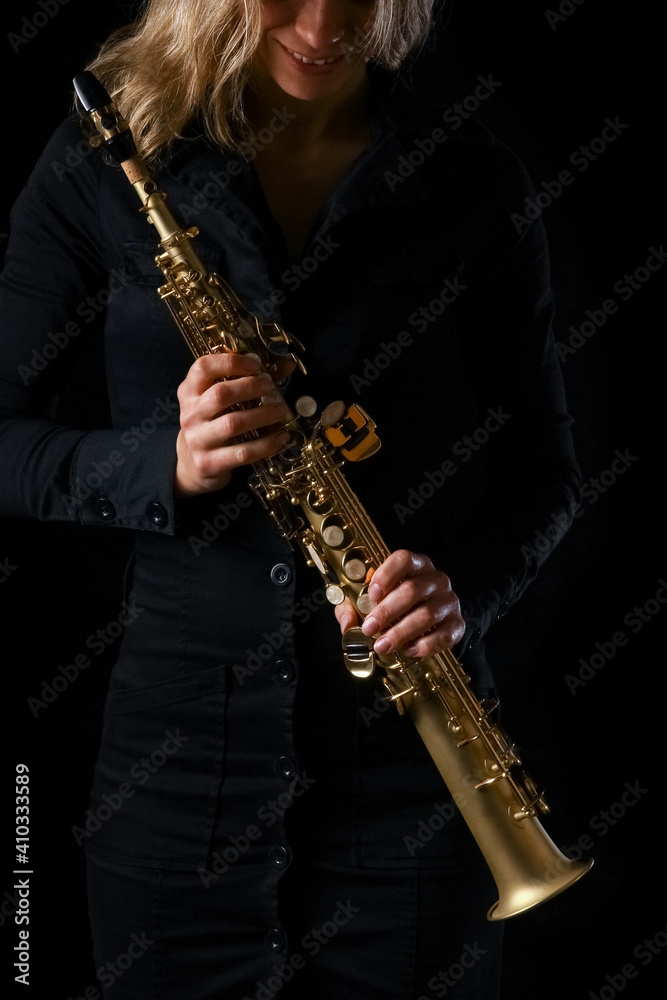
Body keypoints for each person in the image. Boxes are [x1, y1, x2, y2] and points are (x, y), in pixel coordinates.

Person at [0, 0, 581, 997]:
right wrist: (164, 465)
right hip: (177, 773)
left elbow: (546, 471)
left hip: (415, 781)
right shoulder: (104, 158)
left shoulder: (471, 175)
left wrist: (460, 591)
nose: (322, 23)